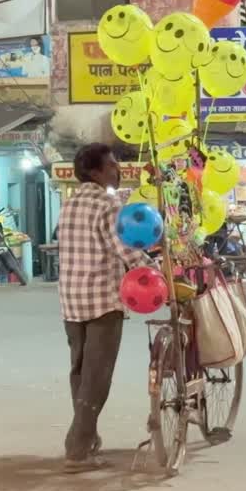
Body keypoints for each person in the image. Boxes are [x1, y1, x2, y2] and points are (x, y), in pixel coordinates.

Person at [57, 143, 148, 472]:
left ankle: (88, 436)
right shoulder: (107, 204)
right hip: (101, 301)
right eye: (111, 165)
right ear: (94, 172)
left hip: (71, 301)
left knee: (81, 373)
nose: (117, 169)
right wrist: (152, 271)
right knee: (98, 377)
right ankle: (77, 448)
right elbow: (126, 250)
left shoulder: (70, 202)